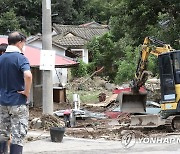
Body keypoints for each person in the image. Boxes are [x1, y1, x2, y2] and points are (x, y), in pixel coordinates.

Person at [0, 32, 32, 154]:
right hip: (18, 101)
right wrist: (26, 92)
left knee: (2, 134)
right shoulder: (21, 58)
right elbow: (28, 75)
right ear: (20, 42)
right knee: (18, 135)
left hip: (2, 103)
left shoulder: (1, 58)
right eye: (24, 43)